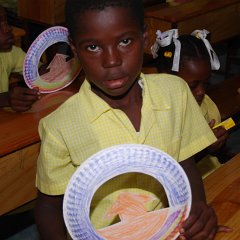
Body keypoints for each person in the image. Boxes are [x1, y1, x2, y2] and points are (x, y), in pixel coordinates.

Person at [35, 1, 231, 239]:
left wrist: (197, 210)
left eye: (125, 41)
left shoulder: (175, 92)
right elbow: (49, 206)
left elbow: (184, 164)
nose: (111, 60)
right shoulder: (60, 126)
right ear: (75, 51)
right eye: (94, 47)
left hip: (169, 230)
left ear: (145, 37)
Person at [151, 29, 232, 177]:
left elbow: (215, 155)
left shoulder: (206, 106)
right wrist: (203, 148)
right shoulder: (156, 115)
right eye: (192, 86)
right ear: (166, 78)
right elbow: (165, 169)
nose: (201, 92)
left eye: (206, 83)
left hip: (208, 172)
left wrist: (217, 144)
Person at [0, 5, 39, 112]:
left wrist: (54, 71)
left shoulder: (9, 52)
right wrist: (4, 99)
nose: (8, 28)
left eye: (6, 21)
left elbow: (36, 70)